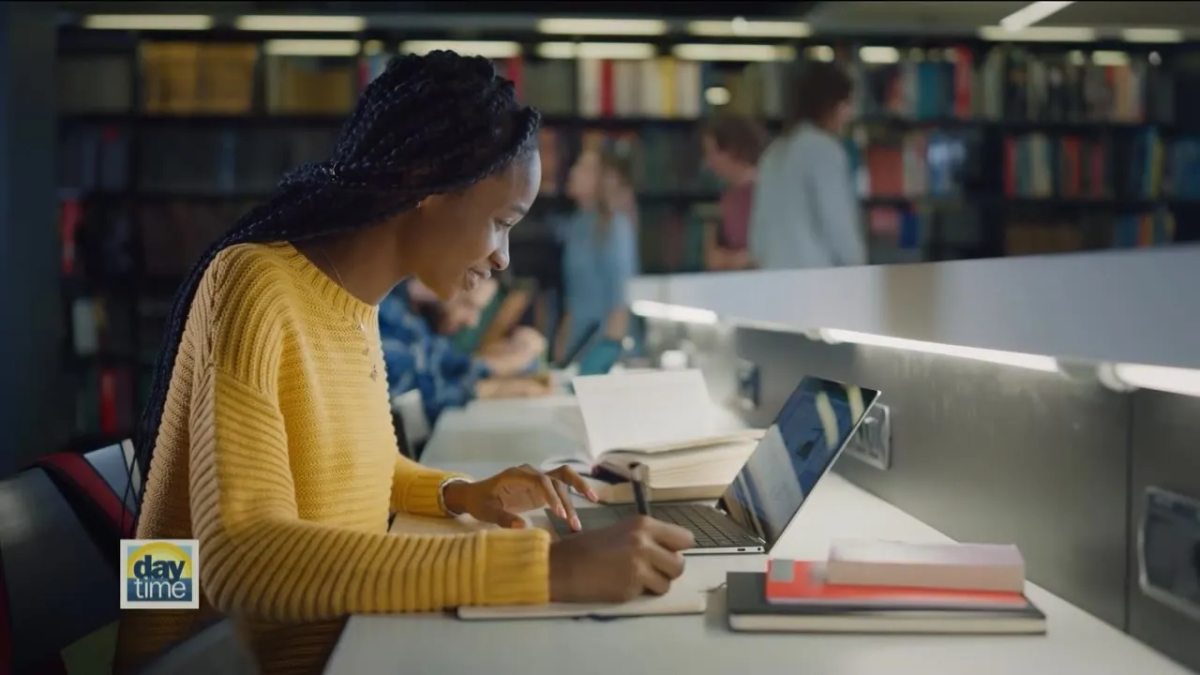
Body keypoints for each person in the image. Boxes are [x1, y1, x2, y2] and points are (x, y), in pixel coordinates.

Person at [115, 52, 694, 675]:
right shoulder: (253, 284)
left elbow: (353, 469)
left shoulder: (355, 302)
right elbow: (241, 559)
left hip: (339, 642)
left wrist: (461, 493)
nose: (502, 259)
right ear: (427, 183)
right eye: (500, 223)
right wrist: (545, 568)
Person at [379, 277, 549, 431]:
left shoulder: (420, 322)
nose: (472, 322)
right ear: (428, 285)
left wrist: (508, 361)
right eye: (467, 304)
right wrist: (491, 389)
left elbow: (451, 365)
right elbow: (419, 403)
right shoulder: (385, 314)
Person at [748, 60, 868, 270]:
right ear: (829, 105)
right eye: (845, 104)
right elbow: (839, 226)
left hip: (773, 278)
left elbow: (758, 238)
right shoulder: (824, 149)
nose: (849, 114)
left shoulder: (774, 151)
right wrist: (860, 268)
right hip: (818, 280)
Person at [553, 149, 639, 363]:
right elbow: (572, 299)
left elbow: (621, 302)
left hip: (605, 349)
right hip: (577, 346)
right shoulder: (577, 224)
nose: (573, 172)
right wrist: (561, 353)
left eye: (584, 168)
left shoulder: (616, 226)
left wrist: (604, 358)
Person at [700, 115, 767, 271]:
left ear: (732, 151)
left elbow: (768, 253)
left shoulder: (769, 191)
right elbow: (712, 257)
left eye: (712, 152)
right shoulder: (727, 199)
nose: (708, 162)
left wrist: (735, 259)